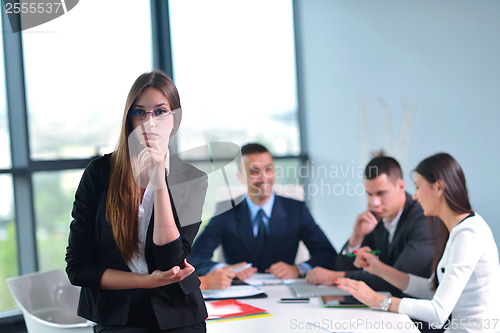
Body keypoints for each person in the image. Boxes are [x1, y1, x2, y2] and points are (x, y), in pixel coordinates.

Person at [65, 71, 208, 332]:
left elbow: (170, 262)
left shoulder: (192, 179)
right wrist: (147, 281)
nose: (149, 123)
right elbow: (78, 269)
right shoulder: (99, 174)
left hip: (178, 312)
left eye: (160, 111)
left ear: (174, 119)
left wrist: (159, 180)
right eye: (139, 112)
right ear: (129, 119)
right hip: (117, 314)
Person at [336, 153, 500, 332]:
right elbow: (432, 290)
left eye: (418, 187)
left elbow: (438, 312)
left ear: (438, 188)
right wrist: (378, 268)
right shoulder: (456, 230)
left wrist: (378, 300)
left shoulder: (469, 233)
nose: (414, 196)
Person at [189, 143, 337, 283]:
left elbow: (327, 254)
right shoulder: (225, 211)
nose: (263, 177)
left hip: (284, 291)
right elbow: (195, 258)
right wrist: (225, 269)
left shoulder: (296, 210)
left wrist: (299, 269)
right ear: (240, 177)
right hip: (240, 291)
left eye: (268, 169)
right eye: (254, 171)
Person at [306, 156, 441, 296]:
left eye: (381, 193)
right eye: (369, 194)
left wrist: (333, 278)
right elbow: (344, 267)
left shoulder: (424, 219)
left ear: (401, 186)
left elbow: (396, 281)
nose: (374, 202)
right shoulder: (376, 218)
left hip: (413, 310)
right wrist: (356, 238)